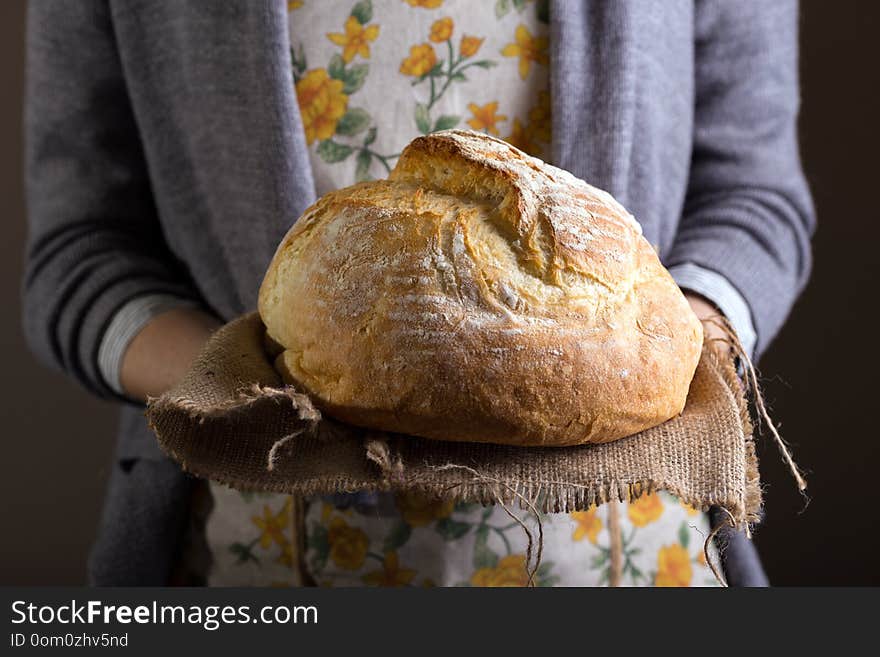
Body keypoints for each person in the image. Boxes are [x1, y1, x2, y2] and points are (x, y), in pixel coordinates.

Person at [23, 0, 813, 586]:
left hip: (627, 559)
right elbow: (78, 253)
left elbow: (755, 199)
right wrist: (236, 384)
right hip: (255, 562)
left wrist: (664, 348)